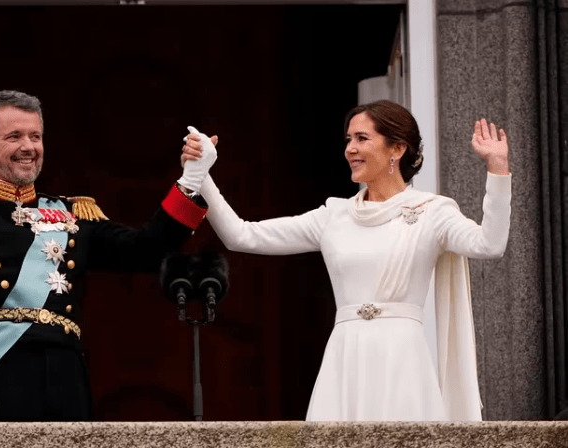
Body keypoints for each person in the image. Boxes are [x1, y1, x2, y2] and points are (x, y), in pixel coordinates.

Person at [181, 100, 511, 421]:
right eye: (348, 140)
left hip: (403, 360)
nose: (350, 149)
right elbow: (242, 235)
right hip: (345, 357)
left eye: (362, 139)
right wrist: (203, 177)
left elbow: (489, 244)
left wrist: (497, 170)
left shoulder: (432, 212)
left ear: (397, 149)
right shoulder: (334, 216)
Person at [0, 90, 217, 423]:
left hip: (67, 381)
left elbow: (147, 251)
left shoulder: (74, 214)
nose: (29, 147)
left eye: (35, 136)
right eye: (14, 136)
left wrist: (190, 180)